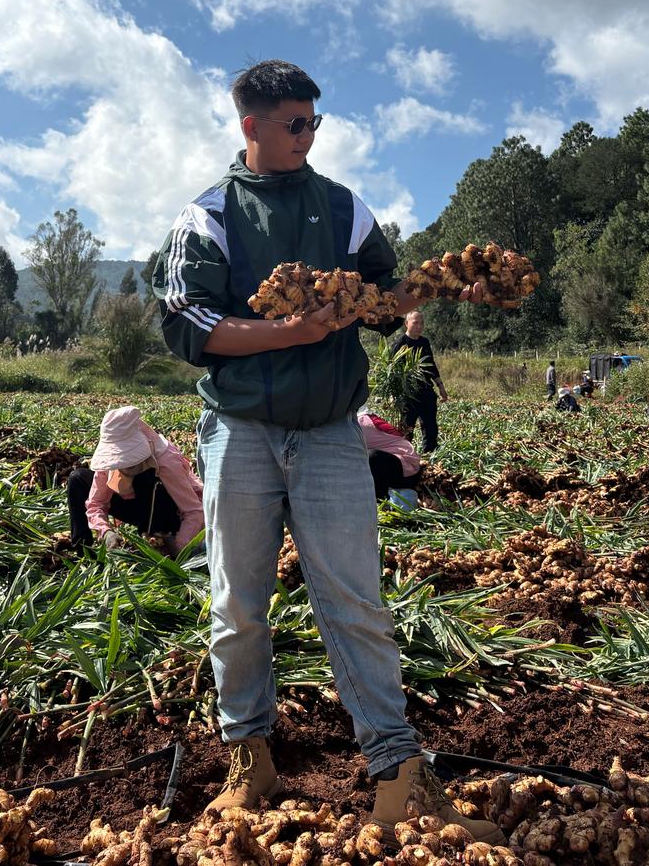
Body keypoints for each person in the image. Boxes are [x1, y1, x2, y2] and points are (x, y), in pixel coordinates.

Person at [152, 59, 502, 845]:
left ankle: (399, 772)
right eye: (295, 124)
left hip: (333, 436)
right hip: (240, 433)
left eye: (315, 123)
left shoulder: (343, 208)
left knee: (357, 606)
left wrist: (447, 284)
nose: (310, 136)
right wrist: (288, 331)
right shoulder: (207, 217)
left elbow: (382, 300)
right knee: (239, 607)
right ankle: (251, 756)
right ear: (252, 125)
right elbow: (185, 326)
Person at [66, 406, 205, 554]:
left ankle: (158, 538)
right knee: (78, 479)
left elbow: (193, 511)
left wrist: (179, 546)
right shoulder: (109, 463)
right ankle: (83, 552)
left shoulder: (166, 461)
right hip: (137, 508)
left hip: (171, 511)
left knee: (146, 478)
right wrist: (105, 532)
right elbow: (96, 503)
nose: (126, 465)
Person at [391, 310, 446, 452]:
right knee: (406, 429)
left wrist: (440, 386)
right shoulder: (400, 344)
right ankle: (404, 457)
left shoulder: (424, 342)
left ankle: (430, 456)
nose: (419, 326)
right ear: (406, 323)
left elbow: (431, 365)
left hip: (426, 391)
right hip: (408, 394)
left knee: (430, 427)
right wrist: (393, 395)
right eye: (416, 323)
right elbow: (393, 372)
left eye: (421, 323)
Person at [357, 409, 422, 503]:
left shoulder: (358, 424)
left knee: (371, 457)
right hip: (400, 466)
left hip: (406, 471)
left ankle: (380, 499)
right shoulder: (363, 419)